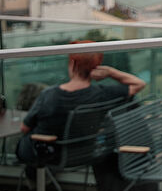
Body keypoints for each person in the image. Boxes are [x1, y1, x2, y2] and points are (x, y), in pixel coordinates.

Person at [17, 42, 145, 182]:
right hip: (84, 155)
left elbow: (24, 128)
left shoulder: (49, 95)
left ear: (72, 64)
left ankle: (36, 185)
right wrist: (110, 72)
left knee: (29, 138)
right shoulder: (102, 94)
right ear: (95, 68)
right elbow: (139, 84)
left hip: (49, 156)